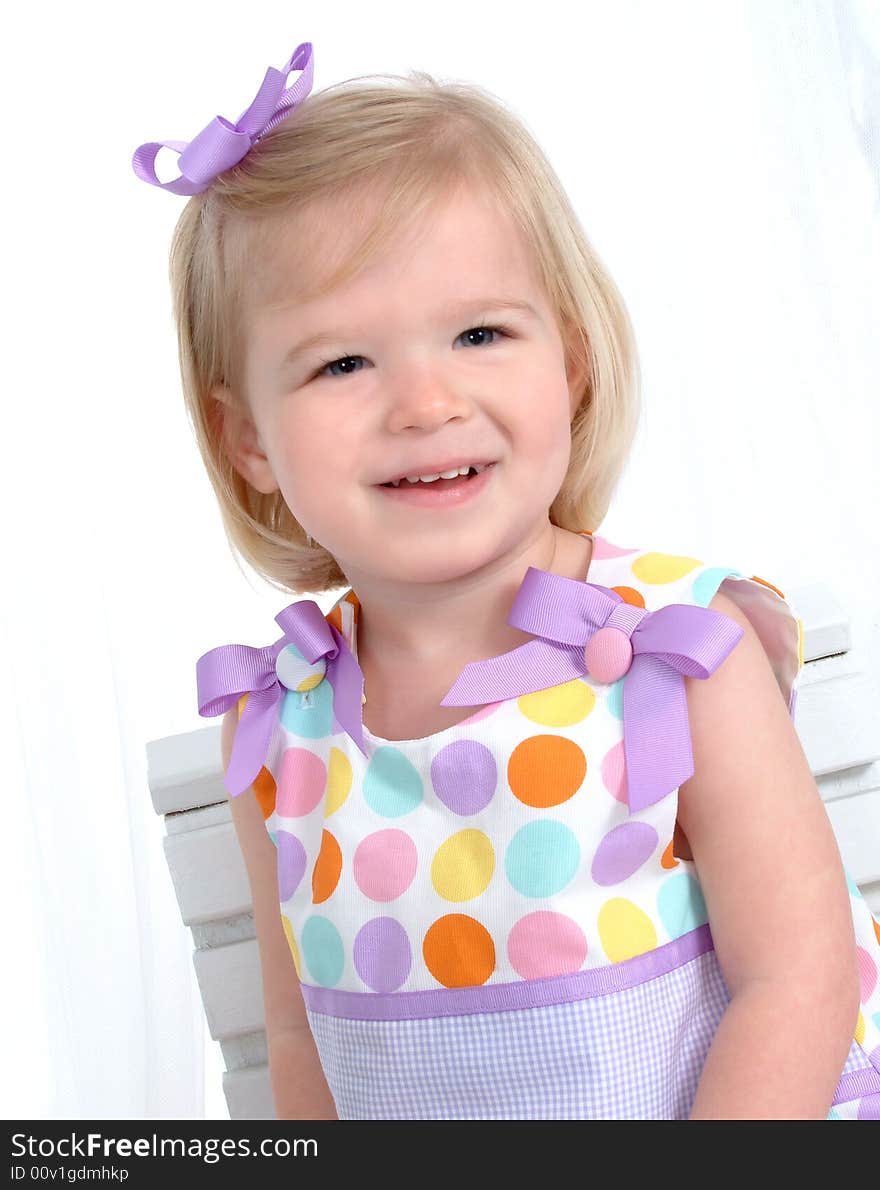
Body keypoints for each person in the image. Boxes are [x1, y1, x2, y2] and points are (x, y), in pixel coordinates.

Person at [135, 41, 880, 1120]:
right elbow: (298, 1036)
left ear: (568, 365)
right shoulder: (278, 723)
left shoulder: (676, 651)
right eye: (343, 362)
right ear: (247, 437)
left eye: (479, 332)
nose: (425, 402)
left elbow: (798, 976)